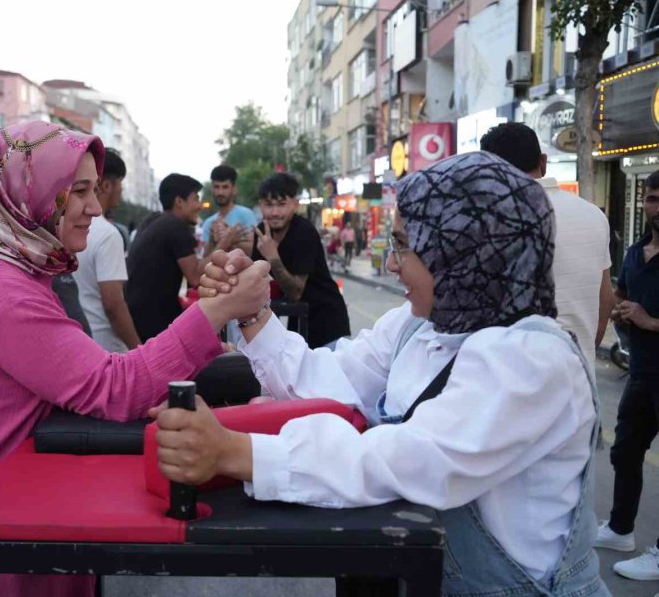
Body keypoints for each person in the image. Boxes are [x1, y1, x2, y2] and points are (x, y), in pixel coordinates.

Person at [155, 152, 609, 596]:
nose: (392, 265)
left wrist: (237, 451)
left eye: (405, 246)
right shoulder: (419, 324)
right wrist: (251, 311)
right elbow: (329, 378)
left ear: (462, 249)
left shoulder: (532, 358)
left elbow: (414, 459)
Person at [0, 122, 270, 597]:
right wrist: (220, 311)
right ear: (28, 194)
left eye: (94, 189)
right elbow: (113, 387)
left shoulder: (8, 275)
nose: (95, 207)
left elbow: (80, 377)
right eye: (77, 191)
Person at [481, 122, 613, 372]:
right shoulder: (593, 215)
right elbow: (605, 299)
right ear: (543, 163)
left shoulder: (490, 218)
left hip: (511, 385)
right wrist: (582, 352)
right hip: (579, 385)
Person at [593, 171, 659, 582]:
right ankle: (620, 529)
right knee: (625, 452)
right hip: (642, 372)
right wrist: (620, 308)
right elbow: (622, 294)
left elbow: (645, 314)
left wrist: (649, 321)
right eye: (652, 198)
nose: (656, 206)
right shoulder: (636, 253)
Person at [251, 172, 350, 349]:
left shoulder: (304, 232)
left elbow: (296, 291)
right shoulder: (261, 232)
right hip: (297, 321)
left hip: (327, 322)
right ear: (260, 206)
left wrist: (273, 256)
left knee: (325, 376)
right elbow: (255, 281)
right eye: (268, 205)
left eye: (282, 205)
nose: (274, 212)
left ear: (295, 205)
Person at [73, 148, 140, 352]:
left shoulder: (69, 229)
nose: (121, 190)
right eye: (120, 183)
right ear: (107, 185)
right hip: (106, 347)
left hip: (77, 340)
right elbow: (113, 304)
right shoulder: (108, 234)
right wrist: (138, 349)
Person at [125, 173, 205, 342]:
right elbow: (196, 277)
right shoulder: (176, 226)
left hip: (137, 317)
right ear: (179, 202)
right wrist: (224, 243)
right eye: (196, 199)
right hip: (156, 322)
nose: (199, 206)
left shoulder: (151, 220)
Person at [202, 164, 256, 256]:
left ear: (234, 189)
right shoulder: (208, 223)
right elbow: (205, 260)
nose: (220, 192)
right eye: (216, 187)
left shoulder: (246, 215)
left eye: (225, 187)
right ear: (212, 189)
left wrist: (231, 239)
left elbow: (254, 250)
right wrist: (213, 240)